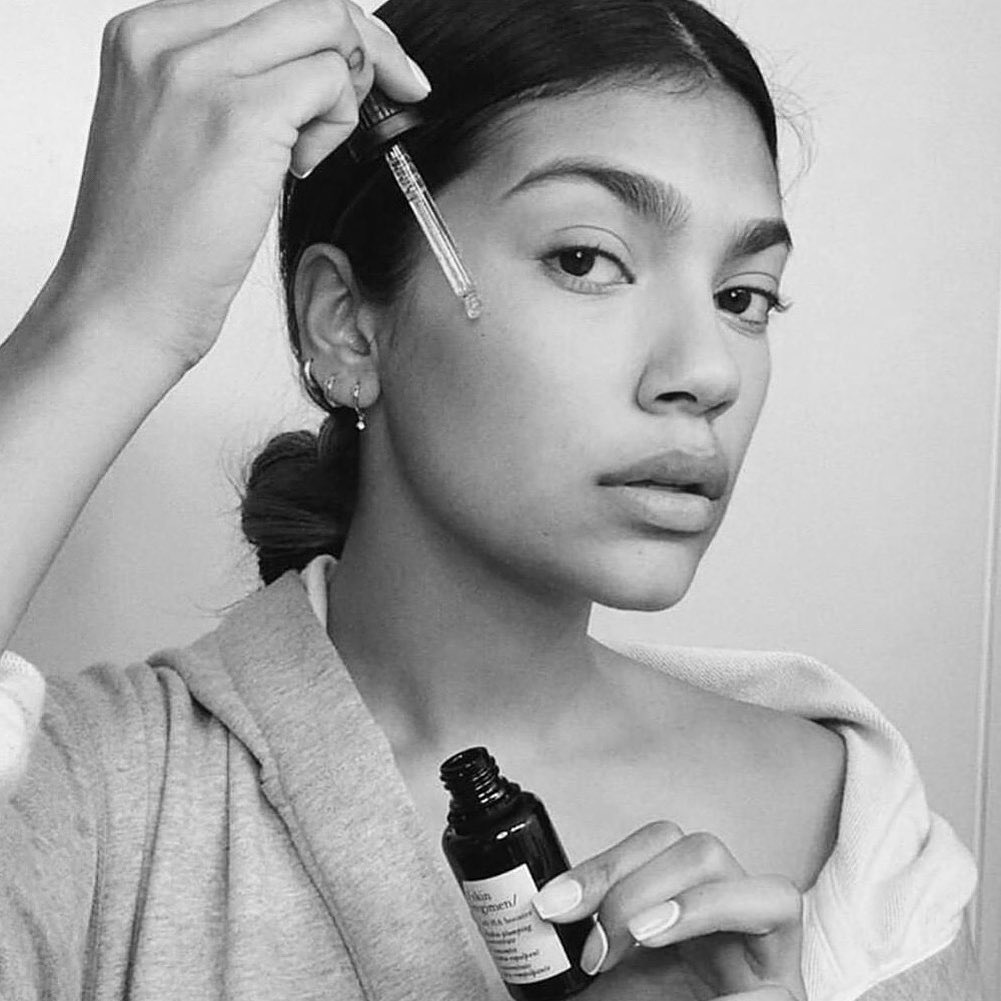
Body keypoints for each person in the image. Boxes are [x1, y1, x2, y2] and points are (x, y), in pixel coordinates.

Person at [0, 0, 983, 998]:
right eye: (584, 259)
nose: (705, 371)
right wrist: (109, 315)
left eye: (743, 297)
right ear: (347, 327)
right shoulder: (88, 799)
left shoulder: (851, 825)